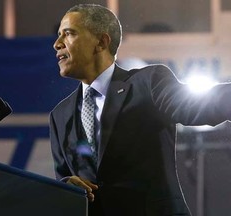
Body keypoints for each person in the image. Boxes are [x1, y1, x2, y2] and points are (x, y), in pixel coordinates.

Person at [49, 4, 231, 216]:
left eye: (68, 34)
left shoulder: (148, 83)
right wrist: (66, 186)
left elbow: (198, 106)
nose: (56, 44)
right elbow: (62, 185)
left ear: (101, 42)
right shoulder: (59, 114)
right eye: (58, 35)